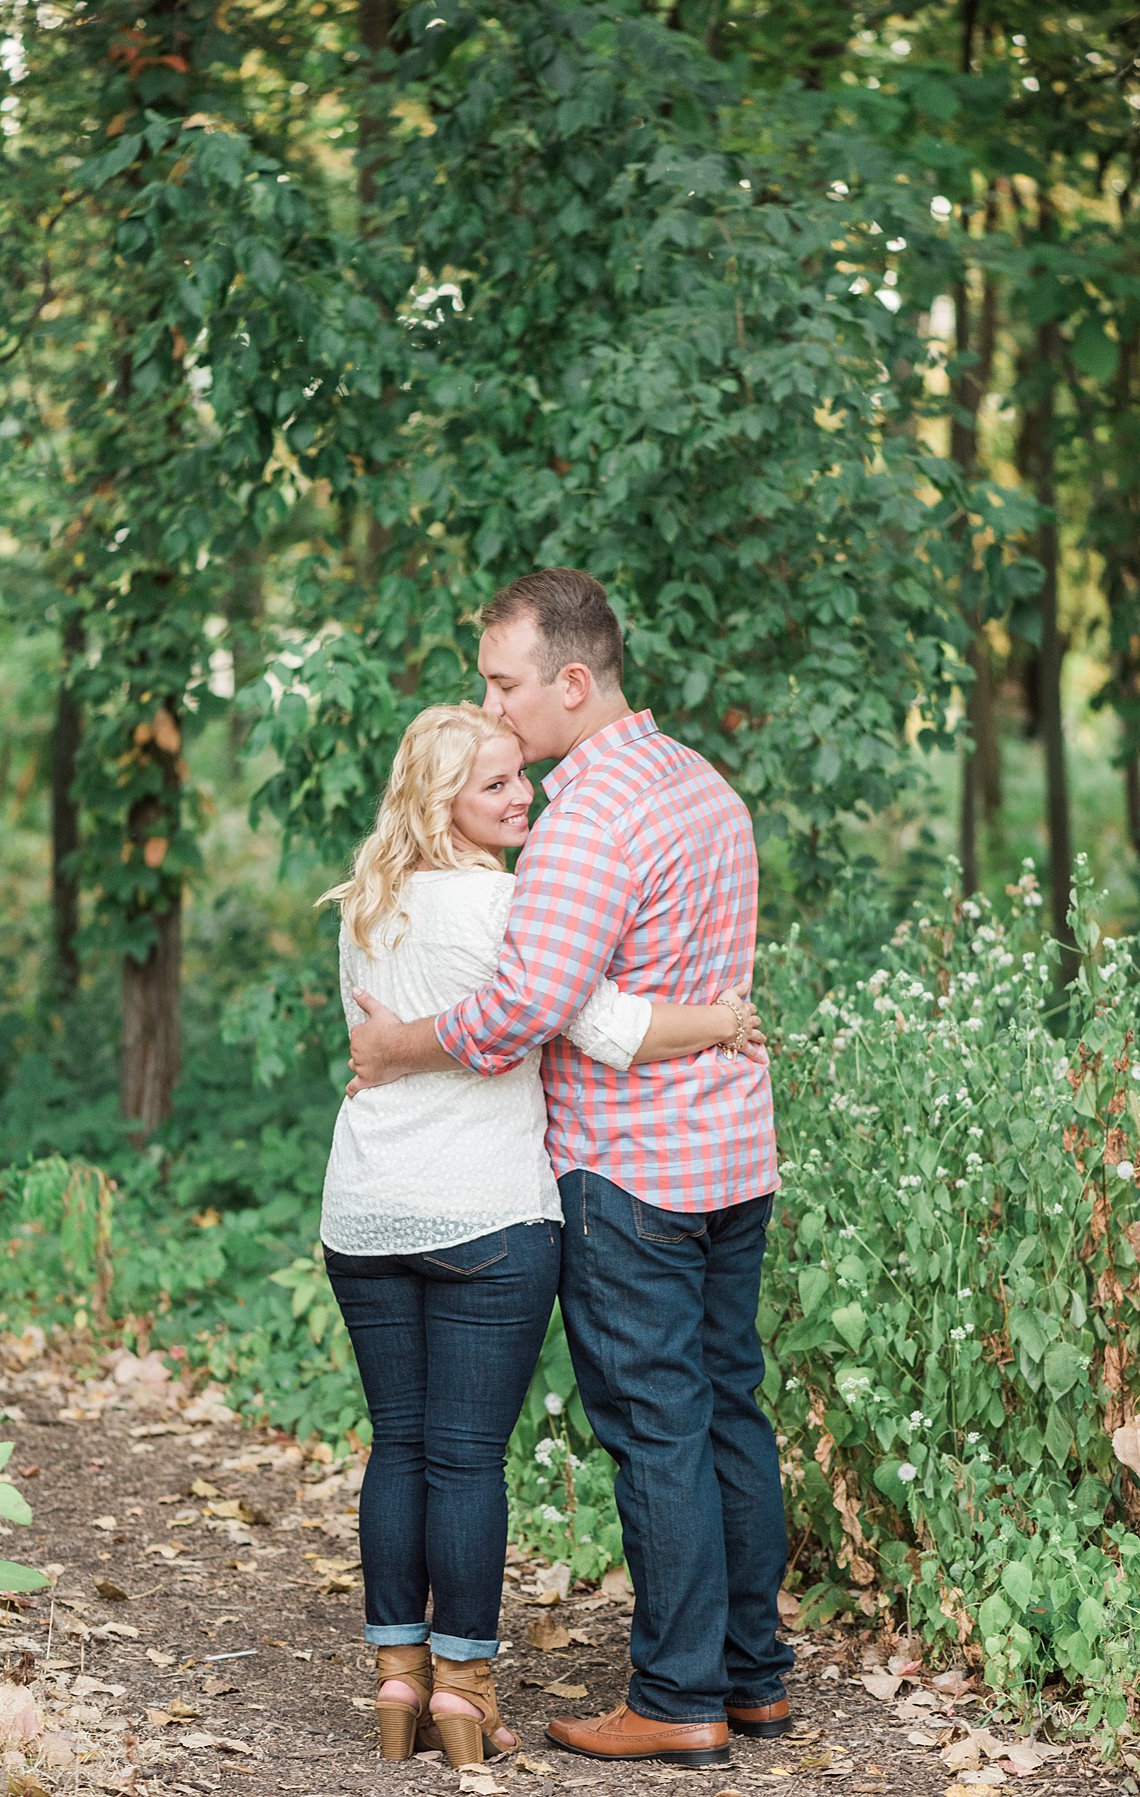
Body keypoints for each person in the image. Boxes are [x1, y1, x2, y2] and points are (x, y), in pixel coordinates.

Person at [347, 569, 793, 1770]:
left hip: (631, 1169)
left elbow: (523, 1011)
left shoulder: (592, 813)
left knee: (656, 1427)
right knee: (727, 1412)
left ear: (574, 682)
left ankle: (677, 1693)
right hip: (732, 1155)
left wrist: (388, 1044)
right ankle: (751, 1678)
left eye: (503, 681)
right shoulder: (698, 780)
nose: (489, 700)